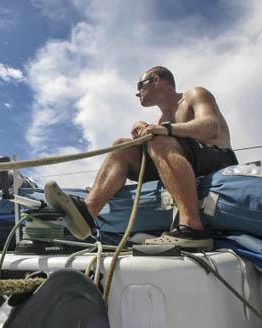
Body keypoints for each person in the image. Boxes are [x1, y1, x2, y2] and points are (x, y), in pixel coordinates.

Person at [45, 66, 238, 249]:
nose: (137, 93)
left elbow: (212, 127)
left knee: (159, 140)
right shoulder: (159, 122)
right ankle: (88, 212)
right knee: (122, 145)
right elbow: (154, 143)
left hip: (217, 159)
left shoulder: (194, 95)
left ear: (155, 80)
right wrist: (142, 133)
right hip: (179, 160)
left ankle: (192, 227)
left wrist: (167, 130)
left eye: (140, 86)